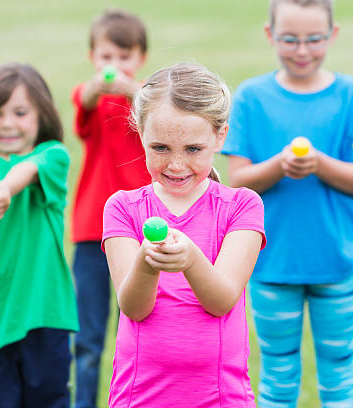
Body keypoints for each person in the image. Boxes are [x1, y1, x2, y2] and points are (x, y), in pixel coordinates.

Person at [221, 0, 353, 406]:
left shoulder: (352, 95)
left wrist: (321, 163)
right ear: (270, 35)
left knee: (339, 365)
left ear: (333, 35)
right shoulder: (252, 97)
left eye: (314, 39)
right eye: (290, 39)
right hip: (271, 263)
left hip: (336, 262)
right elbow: (238, 181)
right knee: (277, 369)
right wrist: (280, 165)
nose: (302, 50)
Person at [102, 62, 266, 407]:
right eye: (160, 148)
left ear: (220, 137)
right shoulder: (122, 208)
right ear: (141, 134)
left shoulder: (241, 206)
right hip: (139, 396)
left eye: (193, 149)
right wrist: (148, 265)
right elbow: (133, 308)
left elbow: (221, 300)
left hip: (220, 398)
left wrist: (190, 259)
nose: (176, 165)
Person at [0, 62, 79, 407]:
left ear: (42, 116)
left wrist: (4, 190)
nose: (7, 123)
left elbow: (27, 169)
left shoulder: (53, 156)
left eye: (20, 112)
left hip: (46, 312)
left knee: (50, 400)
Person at [70, 9, 150, 408]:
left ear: (140, 59)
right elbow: (82, 101)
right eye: (105, 57)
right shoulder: (93, 100)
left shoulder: (145, 101)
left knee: (133, 328)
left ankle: (130, 399)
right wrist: (100, 86)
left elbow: (152, 106)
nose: (113, 66)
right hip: (90, 230)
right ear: (92, 58)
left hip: (138, 232)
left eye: (124, 56)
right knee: (87, 335)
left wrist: (132, 88)